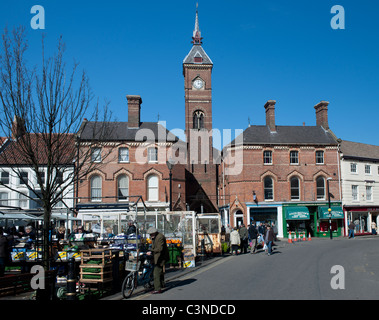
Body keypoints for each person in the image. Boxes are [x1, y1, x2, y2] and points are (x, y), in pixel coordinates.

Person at [147, 227, 169, 294]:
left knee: (156, 272)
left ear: (154, 233)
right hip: (157, 257)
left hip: (161, 257)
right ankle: (162, 284)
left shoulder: (160, 237)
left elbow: (159, 249)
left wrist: (151, 251)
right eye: (150, 234)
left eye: (151, 234)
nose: (150, 236)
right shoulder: (154, 237)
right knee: (160, 271)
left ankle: (157, 289)